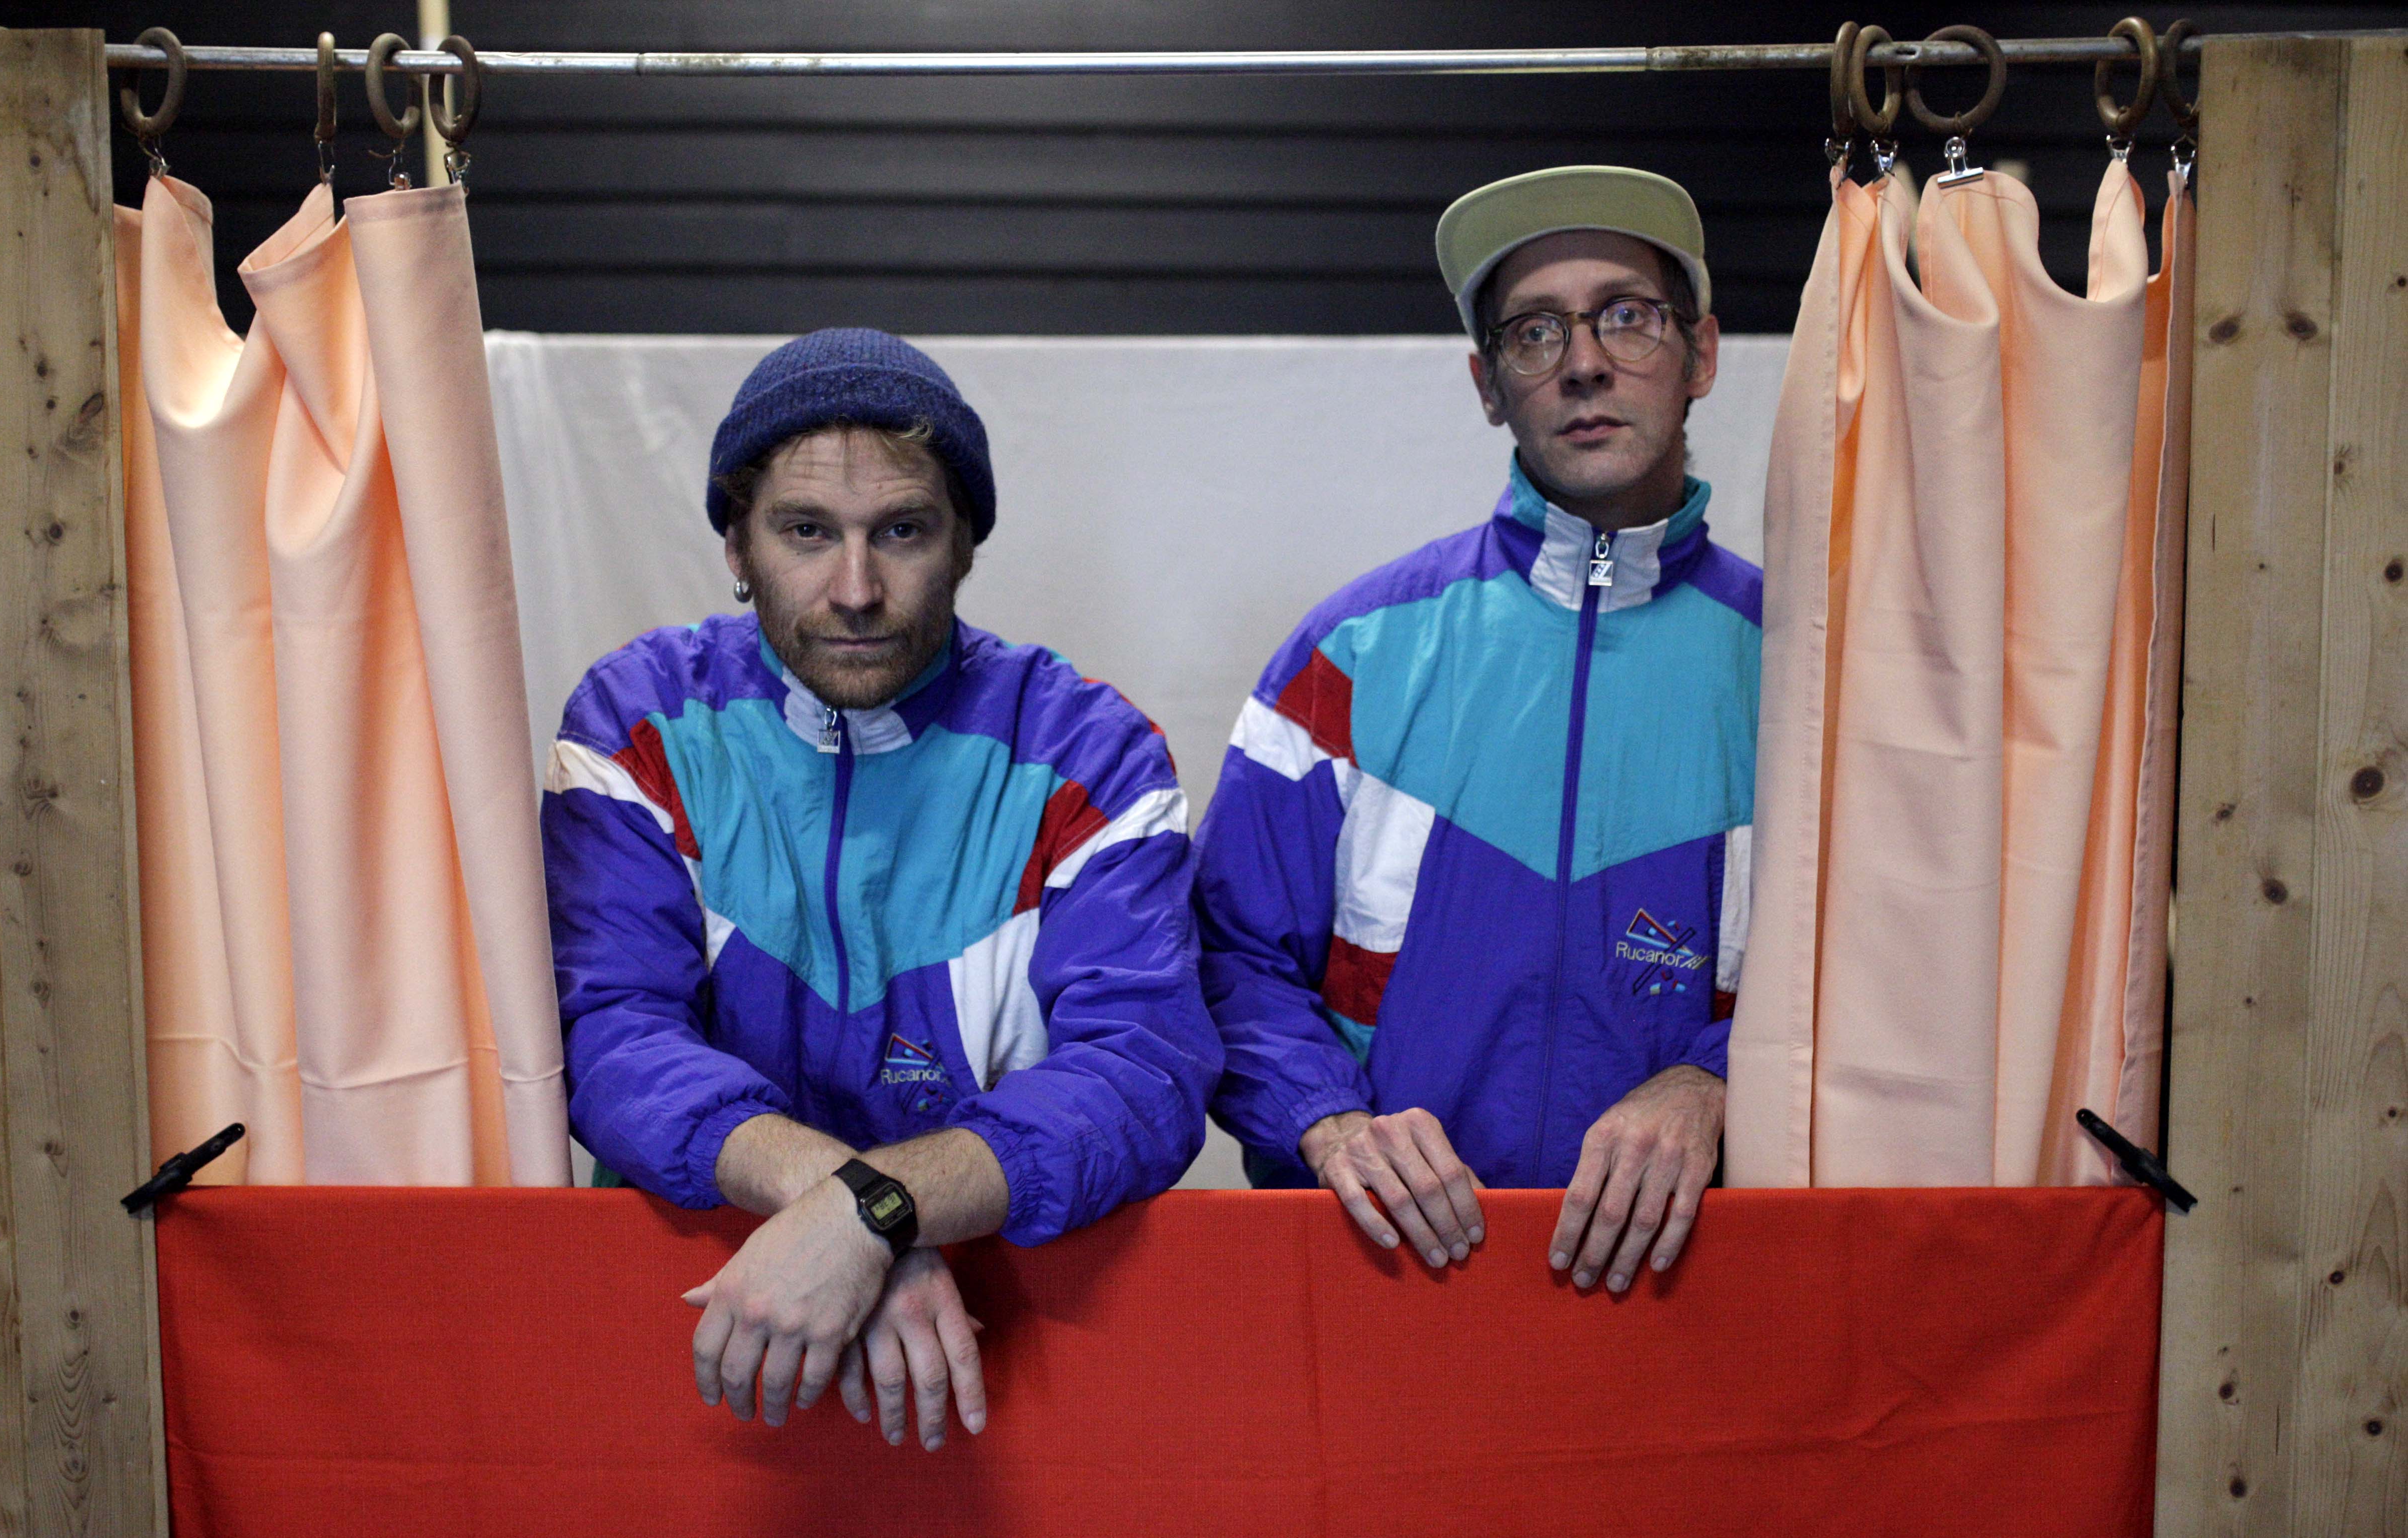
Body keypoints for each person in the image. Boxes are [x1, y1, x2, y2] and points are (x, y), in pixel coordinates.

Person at [543, 329, 1218, 1450]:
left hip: (1003, 1351)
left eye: (901, 531)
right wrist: (865, 1213)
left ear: (964, 545)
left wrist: (867, 1218)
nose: (855, 589)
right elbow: (609, 1035)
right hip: (698, 1330)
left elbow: (1142, 1073)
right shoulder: (637, 721)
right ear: (736, 544)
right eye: (806, 531)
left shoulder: (1092, 752)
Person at [1196, 166, 1757, 1298]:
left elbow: (1881, 977)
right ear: (1488, 385)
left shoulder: (1807, 674)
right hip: (1387, 1286)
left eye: (1627, 316)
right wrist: (1328, 1121)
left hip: (1695, 1290)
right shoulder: (1345, 657)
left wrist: (1720, 1082)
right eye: (1534, 331)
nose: (1583, 362)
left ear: (1700, 354)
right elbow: (1225, 955)